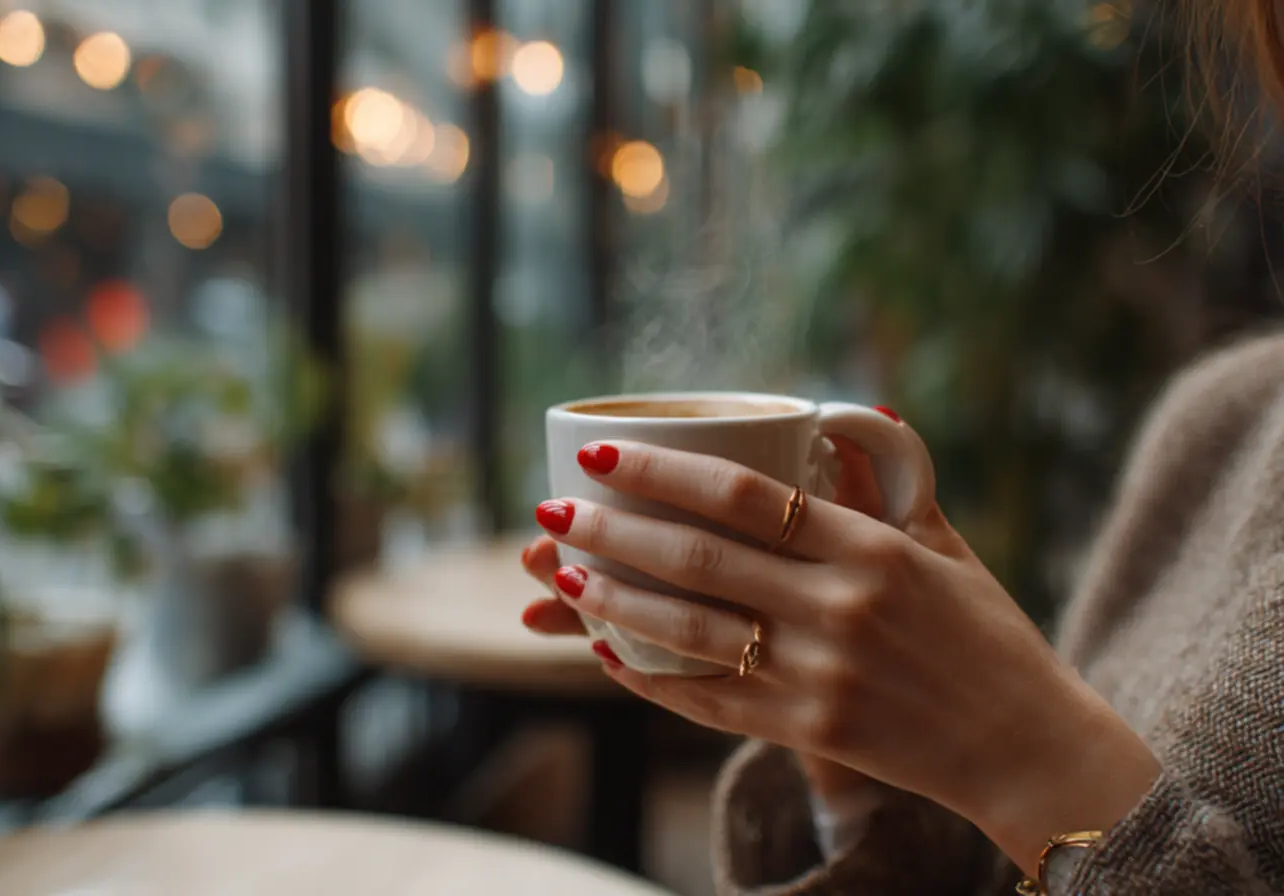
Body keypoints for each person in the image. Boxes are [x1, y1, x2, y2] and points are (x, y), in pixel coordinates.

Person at [520, 6, 1283, 895]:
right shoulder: (1221, 422)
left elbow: (1062, 817)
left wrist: (1026, 754)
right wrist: (861, 769)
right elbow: (1021, 874)